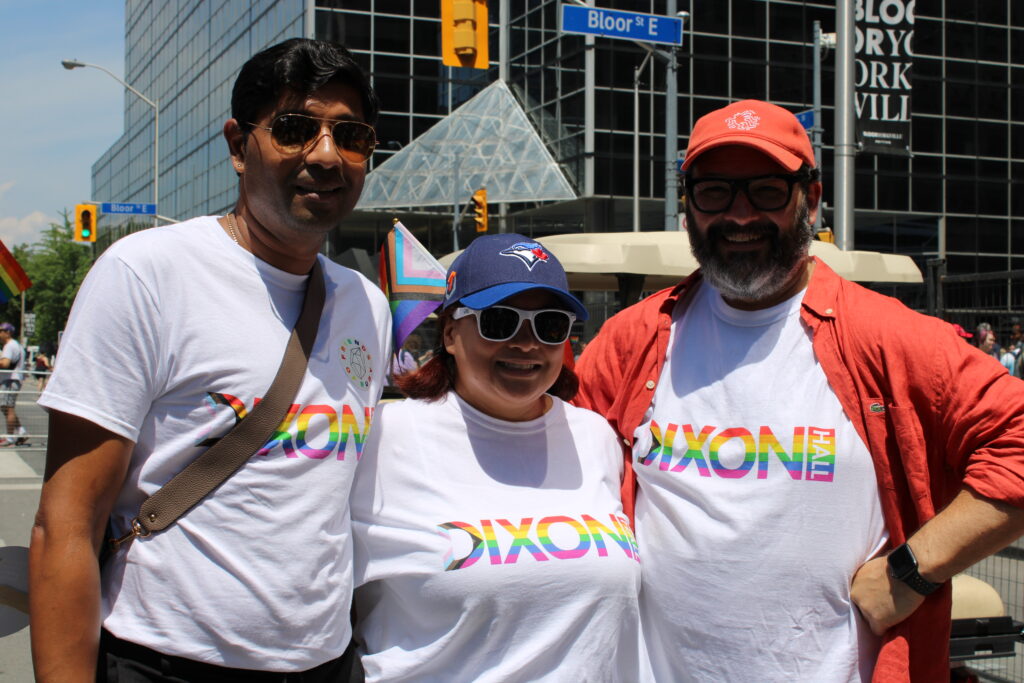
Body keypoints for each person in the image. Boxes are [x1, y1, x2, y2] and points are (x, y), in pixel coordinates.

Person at [574, 99, 1024, 681]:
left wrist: (914, 569)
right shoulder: (633, 339)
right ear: (687, 206)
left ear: (809, 199)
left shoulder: (888, 339)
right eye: (715, 191)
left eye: (765, 191)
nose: (739, 215)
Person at [30, 38, 391, 682]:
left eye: (352, 134)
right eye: (294, 129)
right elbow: (66, 525)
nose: (328, 155)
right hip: (166, 663)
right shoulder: (147, 275)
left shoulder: (367, 303)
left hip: (324, 664)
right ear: (236, 144)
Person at [351, 233, 645, 682]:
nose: (526, 343)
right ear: (450, 332)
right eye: (500, 321)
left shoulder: (594, 437)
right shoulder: (385, 439)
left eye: (549, 325)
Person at [0, 322, 28, 446]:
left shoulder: (9, 346)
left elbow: (5, 364)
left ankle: (10, 438)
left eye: (1, 331)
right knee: (6, 407)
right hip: (13, 379)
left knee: (8, 408)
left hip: (10, 379)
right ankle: (21, 431)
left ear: (8, 332)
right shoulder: (16, 345)